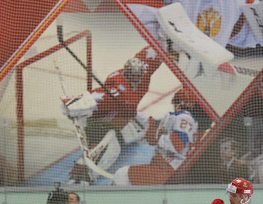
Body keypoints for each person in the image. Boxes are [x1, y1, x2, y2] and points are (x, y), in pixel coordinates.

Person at [65, 46, 162, 184]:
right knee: (113, 148)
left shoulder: (142, 70)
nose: (135, 79)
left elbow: (153, 52)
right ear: (126, 73)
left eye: (137, 76)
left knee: (148, 127)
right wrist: (73, 106)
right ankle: (83, 177)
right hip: (100, 122)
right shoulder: (115, 89)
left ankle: (123, 136)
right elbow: (96, 97)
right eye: (132, 76)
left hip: (124, 115)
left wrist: (167, 45)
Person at [113, 87, 199, 185]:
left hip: (168, 171)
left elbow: (178, 143)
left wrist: (156, 136)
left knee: (122, 176)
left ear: (177, 102)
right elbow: (152, 124)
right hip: (164, 168)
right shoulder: (177, 118)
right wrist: (133, 112)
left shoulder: (184, 118)